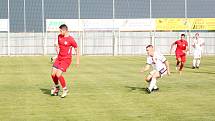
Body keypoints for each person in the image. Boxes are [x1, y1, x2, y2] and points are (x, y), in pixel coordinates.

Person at [50, 24, 80, 98]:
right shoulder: (59, 36)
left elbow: (77, 49)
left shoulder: (71, 39)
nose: (59, 32)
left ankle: (65, 89)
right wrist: (56, 56)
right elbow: (60, 48)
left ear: (65, 30)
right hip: (59, 58)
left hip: (66, 60)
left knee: (58, 74)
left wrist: (77, 61)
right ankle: (57, 88)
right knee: (53, 74)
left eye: (60, 31)